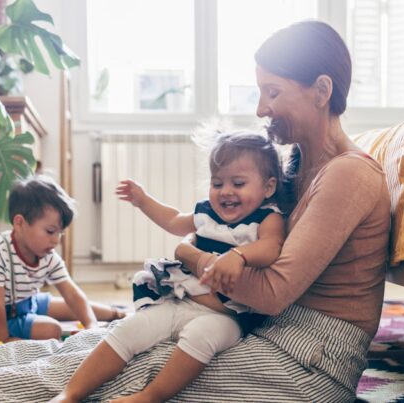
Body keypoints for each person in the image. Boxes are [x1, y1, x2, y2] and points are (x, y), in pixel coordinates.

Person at [0, 20, 391, 403]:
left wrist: (188, 254)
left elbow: (268, 292)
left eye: (273, 93)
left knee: (126, 371)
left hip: (310, 361)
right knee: (91, 344)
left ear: (321, 90)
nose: (261, 108)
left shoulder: (347, 174)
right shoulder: (295, 169)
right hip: (264, 330)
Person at [61, 132, 285, 402]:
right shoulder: (206, 214)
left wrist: (239, 255)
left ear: (268, 187)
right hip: (183, 300)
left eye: (238, 183)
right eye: (217, 183)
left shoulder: (267, 219)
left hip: (228, 317)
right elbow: (173, 221)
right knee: (131, 328)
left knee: (201, 336)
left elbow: (272, 247)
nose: (226, 191)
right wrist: (143, 201)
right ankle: (70, 394)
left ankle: (150, 396)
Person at [0, 174, 124, 343]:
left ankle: (116, 314)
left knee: (72, 307)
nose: (56, 240)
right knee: (51, 329)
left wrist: (91, 326)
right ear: (19, 223)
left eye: (60, 233)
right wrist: (4, 340)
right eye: (50, 231)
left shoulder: (47, 255)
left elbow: (71, 293)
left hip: (26, 302)